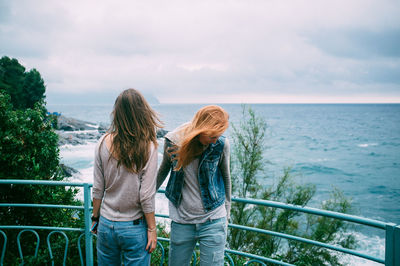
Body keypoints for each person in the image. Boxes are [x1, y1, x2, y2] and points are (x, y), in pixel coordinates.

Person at [91, 88, 162, 266]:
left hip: (106, 224)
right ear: (142, 112)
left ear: (117, 113)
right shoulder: (148, 147)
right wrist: (152, 229)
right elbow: (146, 195)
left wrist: (95, 218)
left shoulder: (102, 142)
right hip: (134, 227)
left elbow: (98, 188)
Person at [156, 105, 231, 266]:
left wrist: (227, 212)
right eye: (212, 136)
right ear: (202, 130)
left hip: (213, 219)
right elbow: (163, 170)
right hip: (182, 220)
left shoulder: (221, 145)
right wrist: (145, 198)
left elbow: (226, 177)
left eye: (219, 135)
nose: (216, 140)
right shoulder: (174, 141)